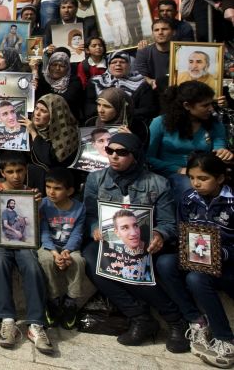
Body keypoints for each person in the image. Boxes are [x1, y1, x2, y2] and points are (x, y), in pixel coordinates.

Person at [83, 133, 189, 353]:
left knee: (135, 259)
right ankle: (139, 316)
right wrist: (95, 228)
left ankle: (176, 321)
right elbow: (91, 215)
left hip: (145, 242)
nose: (113, 156)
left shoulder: (157, 183)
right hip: (111, 240)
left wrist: (159, 234)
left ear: (135, 155)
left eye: (121, 153)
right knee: (92, 257)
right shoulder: (96, 179)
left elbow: (168, 222)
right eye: (110, 151)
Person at [155, 153, 233, 367]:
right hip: (197, 258)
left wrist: (221, 254)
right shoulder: (189, 199)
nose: (196, 183)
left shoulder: (231, 202)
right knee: (164, 263)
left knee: (196, 279)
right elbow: (182, 232)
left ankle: (225, 339)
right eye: (192, 177)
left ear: (220, 178)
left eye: (203, 178)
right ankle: (197, 321)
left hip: (226, 265)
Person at [0, 152, 53, 353]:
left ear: (26, 171)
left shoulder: (32, 193)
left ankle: (35, 324)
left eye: (20, 171)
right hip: (1, 243)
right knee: (0, 263)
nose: (15, 176)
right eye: (10, 172)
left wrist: (37, 206)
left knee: (31, 265)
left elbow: (34, 228)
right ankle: (8, 319)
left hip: (24, 244)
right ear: (2, 172)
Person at [148, 81, 233, 201]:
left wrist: (223, 153)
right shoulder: (160, 123)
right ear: (187, 106)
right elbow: (147, 157)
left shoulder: (214, 123)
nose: (211, 109)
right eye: (205, 105)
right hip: (170, 173)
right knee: (189, 186)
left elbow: (218, 148)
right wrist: (178, 169)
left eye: (211, 104)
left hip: (205, 174)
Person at [37, 168, 86, 330]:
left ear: (70, 190)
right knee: (45, 260)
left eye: (57, 188)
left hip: (68, 248)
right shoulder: (43, 204)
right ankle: (53, 299)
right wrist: (54, 252)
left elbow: (77, 233)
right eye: (48, 187)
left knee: (78, 261)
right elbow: (43, 231)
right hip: (48, 246)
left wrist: (68, 251)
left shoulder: (79, 208)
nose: (51, 192)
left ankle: (71, 302)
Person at [20, 94, 79, 194]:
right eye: (36, 108)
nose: (37, 113)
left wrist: (33, 133)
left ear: (55, 114)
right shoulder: (29, 125)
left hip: (55, 187)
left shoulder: (67, 134)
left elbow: (48, 159)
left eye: (43, 111)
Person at [85, 52, 158, 122]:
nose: (118, 64)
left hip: (131, 124)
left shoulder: (142, 83)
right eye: (114, 62)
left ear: (129, 65)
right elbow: (89, 108)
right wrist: (107, 112)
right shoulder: (96, 82)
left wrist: (120, 113)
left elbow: (147, 110)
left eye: (122, 62)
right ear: (108, 65)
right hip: (102, 124)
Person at [33, 48, 84, 121]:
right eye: (54, 64)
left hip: (66, 122)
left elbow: (66, 100)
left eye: (62, 66)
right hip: (43, 121)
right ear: (49, 66)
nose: (57, 68)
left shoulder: (74, 81)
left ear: (68, 68)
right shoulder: (43, 80)